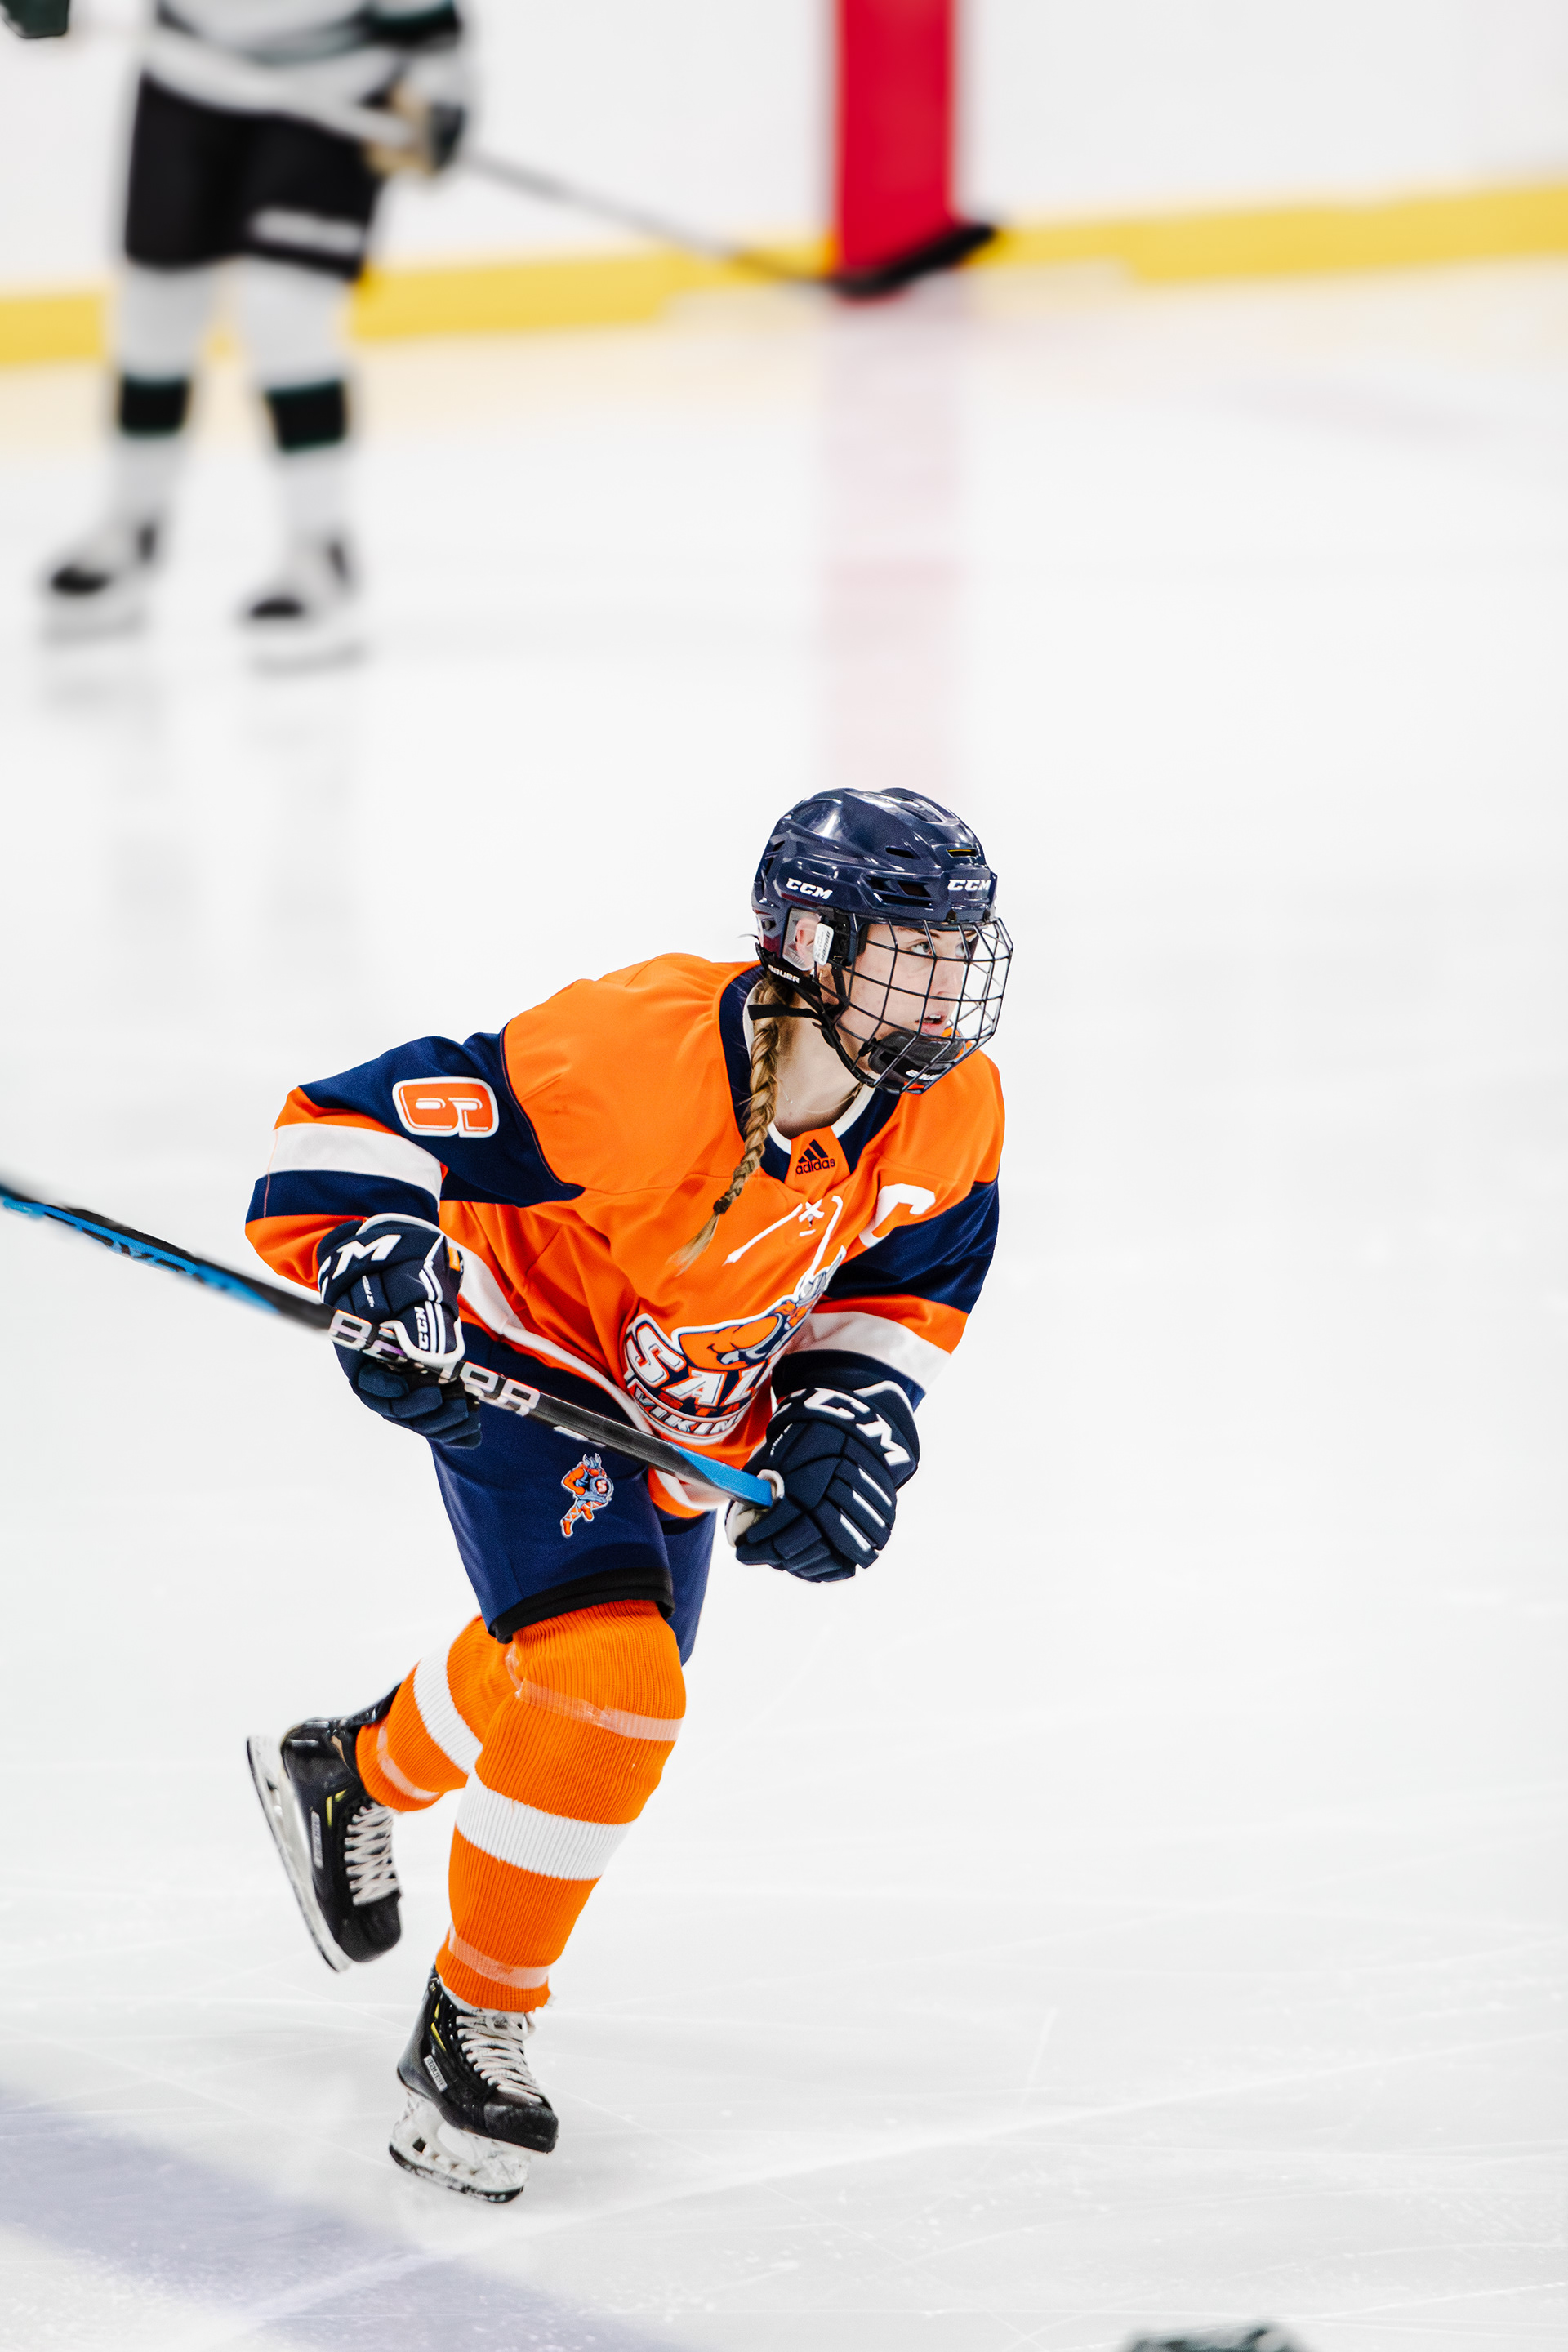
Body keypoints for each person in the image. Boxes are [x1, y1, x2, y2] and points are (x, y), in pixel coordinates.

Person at [243, 786, 1010, 2200]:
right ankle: (472, 2024)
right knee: (615, 1682)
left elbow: (912, 1277)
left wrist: (846, 1411)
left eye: (961, 949)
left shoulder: (949, 1107)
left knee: (583, 1682)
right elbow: (342, 1129)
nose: (948, 984)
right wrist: (378, 1259)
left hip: (679, 1400)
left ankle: (351, 1770)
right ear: (809, 941)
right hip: (523, 1347)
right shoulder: (630, 1054)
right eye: (913, 946)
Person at [40, 0, 469, 662]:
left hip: (330, 88)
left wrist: (443, 85)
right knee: (155, 306)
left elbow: (430, 26)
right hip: (188, 70)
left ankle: (318, 547)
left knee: (283, 312)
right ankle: (131, 525)